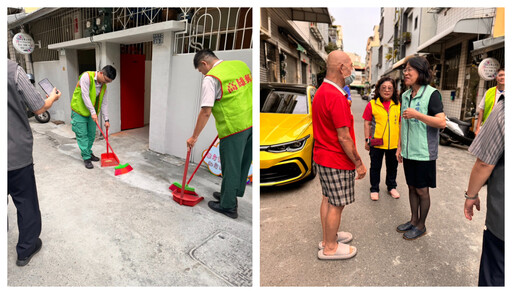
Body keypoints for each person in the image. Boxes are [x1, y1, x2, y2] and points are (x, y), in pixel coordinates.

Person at [312, 50, 366, 260]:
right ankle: (331, 248)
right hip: (335, 159)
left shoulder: (323, 91)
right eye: (350, 66)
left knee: (328, 198)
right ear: (342, 69)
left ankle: (328, 238)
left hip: (323, 156)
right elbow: (344, 138)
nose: (352, 70)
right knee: (336, 203)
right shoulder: (335, 96)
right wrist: (359, 163)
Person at [8, 59, 62, 266]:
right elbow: (39, 108)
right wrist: (52, 98)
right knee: (26, 202)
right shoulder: (12, 70)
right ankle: (26, 249)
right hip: (14, 154)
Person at [187, 49, 252, 219]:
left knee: (230, 167)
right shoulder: (240, 66)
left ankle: (228, 206)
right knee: (242, 164)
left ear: (204, 64)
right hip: (251, 123)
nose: (203, 74)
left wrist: (194, 137)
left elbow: (206, 111)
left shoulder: (211, 78)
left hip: (233, 128)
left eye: (202, 71)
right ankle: (230, 193)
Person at [396, 56, 446, 240]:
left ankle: (421, 225)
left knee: (422, 190)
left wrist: (418, 114)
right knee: (411, 187)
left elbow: (441, 122)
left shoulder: (432, 94)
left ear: (421, 72)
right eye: (405, 70)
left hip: (424, 152)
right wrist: (399, 147)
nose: (406, 73)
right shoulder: (405, 95)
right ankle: (413, 220)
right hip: (409, 151)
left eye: (410, 69)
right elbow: (403, 122)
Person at [463, 93, 504, 286]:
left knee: (496, 273)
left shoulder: (505, 108)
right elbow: (480, 112)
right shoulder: (490, 93)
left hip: (503, 222)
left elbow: (485, 163)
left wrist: (471, 195)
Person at [70, 65, 116, 169]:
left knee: (91, 134)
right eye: (106, 80)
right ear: (101, 73)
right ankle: (86, 157)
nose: (106, 83)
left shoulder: (104, 86)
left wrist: (106, 119)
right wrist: (93, 112)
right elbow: (85, 95)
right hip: (79, 111)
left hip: (92, 113)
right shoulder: (86, 77)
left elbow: (104, 103)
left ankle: (88, 152)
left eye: (109, 82)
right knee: (82, 135)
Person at [362, 77, 401, 200]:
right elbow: (367, 123)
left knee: (392, 167)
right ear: (378, 90)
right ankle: (374, 188)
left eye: (390, 88)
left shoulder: (398, 105)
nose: (387, 90)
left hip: (393, 143)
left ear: (394, 90)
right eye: (383, 88)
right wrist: (367, 140)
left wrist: (400, 145)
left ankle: (391, 187)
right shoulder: (372, 104)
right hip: (376, 142)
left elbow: (400, 125)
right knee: (375, 166)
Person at [474, 68, 504, 136]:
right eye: (500, 75)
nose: (503, 77)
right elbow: (481, 110)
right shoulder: (489, 92)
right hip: (487, 127)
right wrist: (477, 128)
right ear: (496, 77)